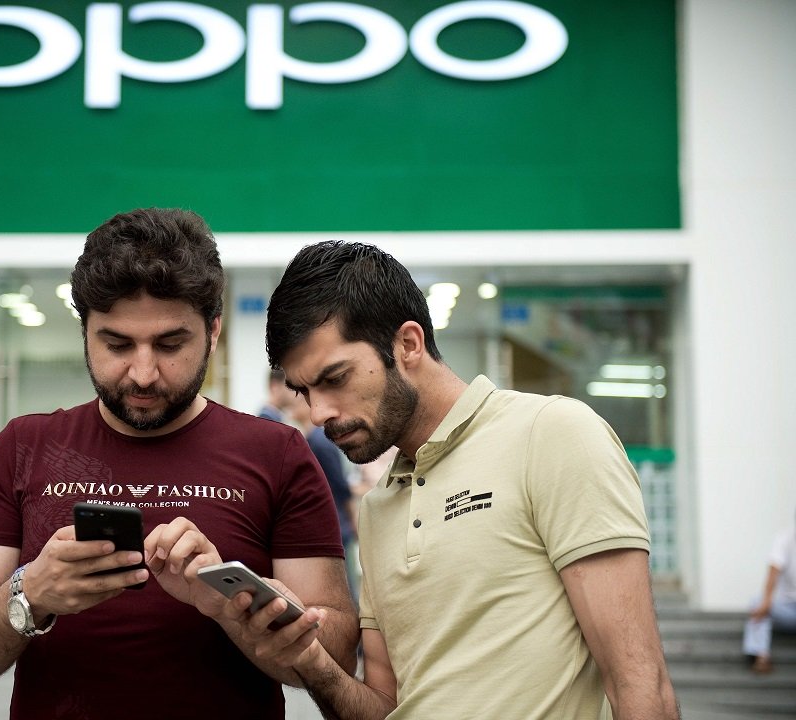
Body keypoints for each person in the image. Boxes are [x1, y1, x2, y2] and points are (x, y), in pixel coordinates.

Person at [0, 208, 357, 719]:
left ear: (214, 331)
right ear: (85, 331)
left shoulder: (277, 453)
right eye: (116, 344)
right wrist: (33, 592)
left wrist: (239, 610)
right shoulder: (22, 447)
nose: (142, 373)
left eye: (169, 344)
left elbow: (335, 653)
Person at [246, 241, 679, 719]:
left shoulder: (552, 433)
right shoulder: (377, 507)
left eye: (335, 378)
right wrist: (309, 660)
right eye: (305, 390)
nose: (318, 411)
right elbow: (384, 708)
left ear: (407, 344)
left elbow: (640, 683)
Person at [288, 397, 358, 603]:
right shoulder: (308, 439)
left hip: (337, 522)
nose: (291, 408)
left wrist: (352, 517)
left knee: (345, 586)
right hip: (329, 522)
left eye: (296, 403)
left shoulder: (319, 441)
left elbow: (339, 484)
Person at [743, 511, 796, 675]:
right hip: (789, 610)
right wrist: (766, 601)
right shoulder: (786, 538)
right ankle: (761, 655)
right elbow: (774, 569)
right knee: (757, 602)